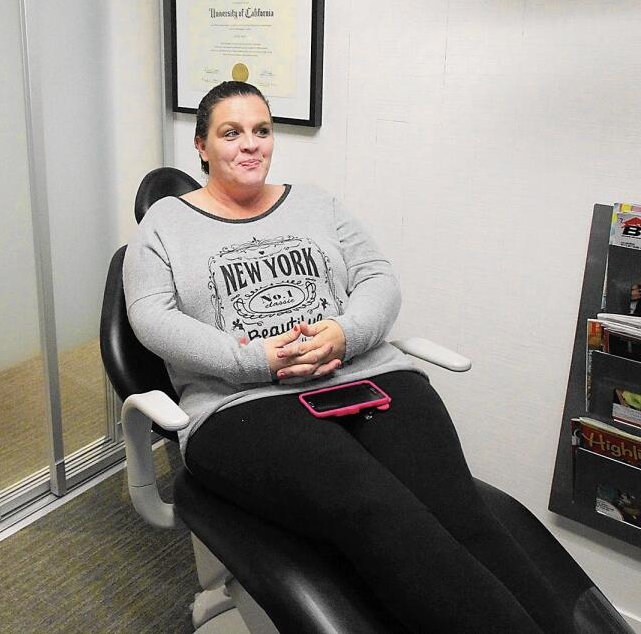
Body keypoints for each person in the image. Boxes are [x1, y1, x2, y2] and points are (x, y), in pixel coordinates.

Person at [123, 80, 574, 634]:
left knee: (459, 509)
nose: (250, 145)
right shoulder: (162, 227)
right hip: (245, 403)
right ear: (201, 146)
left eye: (261, 131)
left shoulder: (316, 204)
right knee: (379, 510)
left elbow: (377, 278)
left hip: (366, 374)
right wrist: (256, 359)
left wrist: (344, 332)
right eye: (230, 132)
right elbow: (152, 319)